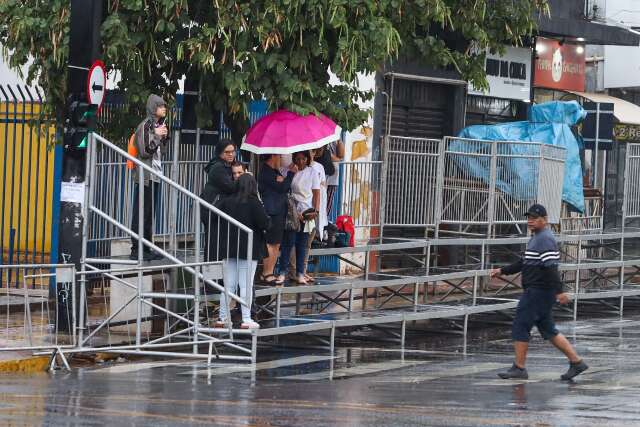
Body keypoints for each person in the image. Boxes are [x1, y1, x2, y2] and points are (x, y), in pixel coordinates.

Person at [491, 204, 588, 381]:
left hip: (539, 291)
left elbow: (551, 267)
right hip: (539, 291)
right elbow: (524, 262)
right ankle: (576, 362)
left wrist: (559, 292)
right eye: (529, 218)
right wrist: (503, 270)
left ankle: (519, 368)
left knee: (521, 325)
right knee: (548, 329)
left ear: (544, 220)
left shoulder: (544, 238)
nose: (530, 221)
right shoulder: (537, 237)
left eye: (534, 218)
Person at [215, 174, 270, 329]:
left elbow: (213, 212)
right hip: (248, 249)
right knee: (246, 284)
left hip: (228, 248)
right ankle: (246, 319)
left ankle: (223, 317)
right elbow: (265, 223)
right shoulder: (254, 203)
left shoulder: (227, 201)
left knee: (228, 285)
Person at [130, 94, 169, 261]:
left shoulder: (157, 125)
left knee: (149, 213)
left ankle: (146, 247)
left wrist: (164, 136)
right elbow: (145, 150)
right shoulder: (146, 125)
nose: (164, 109)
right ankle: (136, 248)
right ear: (154, 108)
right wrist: (158, 135)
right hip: (145, 175)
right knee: (141, 212)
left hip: (155, 175)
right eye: (161, 106)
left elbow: (163, 151)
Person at [278, 151, 320, 285]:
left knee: (302, 244)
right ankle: (283, 272)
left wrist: (316, 211)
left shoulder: (312, 172)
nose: (301, 161)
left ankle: (300, 273)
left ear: (307, 159)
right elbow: (284, 190)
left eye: (303, 159)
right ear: (294, 159)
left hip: (307, 211)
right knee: (288, 243)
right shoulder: (288, 170)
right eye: (298, 159)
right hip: (292, 212)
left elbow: (316, 193)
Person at [258, 154, 297, 285]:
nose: (281, 159)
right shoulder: (265, 172)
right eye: (279, 156)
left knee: (276, 244)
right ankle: (266, 272)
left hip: (279, 210)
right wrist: (291, 174)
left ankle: (270, 271)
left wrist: (284, 178)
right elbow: (282, 187)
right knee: (271, 243)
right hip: (272, 211)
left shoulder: (274, 171)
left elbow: (283, 185)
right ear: (273, 156)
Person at [201, 139, 237, 260]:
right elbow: (231, 187)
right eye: (227, 152)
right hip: (213, 210)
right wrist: (243, 178)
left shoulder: (228, 165)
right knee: (214, 245)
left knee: (221, 245)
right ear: (220, 153)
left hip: (219, 210)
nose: (231, 154)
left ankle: (219, 277)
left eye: (233, 151)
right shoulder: (218, 167)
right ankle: (210, 276)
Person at [301, 147, 328, 282]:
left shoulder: (319, 168)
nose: (309, 154)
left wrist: (317, 211)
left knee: (308, 243)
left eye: (312, 151)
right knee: (299, 243)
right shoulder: (298, 169)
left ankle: (303, 270)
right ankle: (298, 271)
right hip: (302, 210)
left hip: (312, 211)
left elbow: (321, 190)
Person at [325, 140, 345, 216]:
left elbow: (341, 155)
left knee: (327, 207)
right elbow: (326, 155)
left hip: (332, 179)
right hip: (321, 178)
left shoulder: (334, 138)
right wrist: (338, 159)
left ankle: (324, 223)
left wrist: (339, 141)